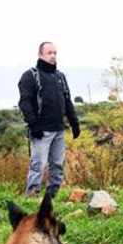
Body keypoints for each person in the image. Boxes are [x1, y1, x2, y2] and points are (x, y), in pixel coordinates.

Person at [18, 42, 80, 197]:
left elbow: (67, 101)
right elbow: (24, 102)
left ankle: (52, 197)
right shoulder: (31, 75)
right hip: (41, 131)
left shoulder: (60, 76)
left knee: (58, 165)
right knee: (38, 165)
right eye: (49, 53)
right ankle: (32, 198)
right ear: (40, 55)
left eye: (55, 53)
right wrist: (34, 124)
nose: (53, 56)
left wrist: (74, 123)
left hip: (59, 129)